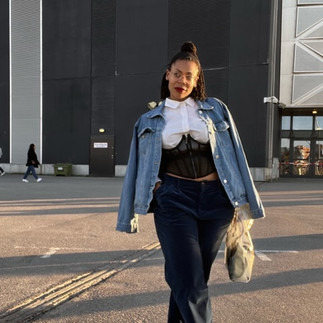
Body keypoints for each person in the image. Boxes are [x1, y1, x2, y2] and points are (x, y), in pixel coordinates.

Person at [116, 41, 265, 322]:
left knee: (192, 279)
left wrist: (244, 201)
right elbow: (137, 166)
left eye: (189, 76)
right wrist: (147, 200)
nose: (182, 80)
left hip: (217, 201)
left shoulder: (215, 109)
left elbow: (236, 153)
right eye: (177, 73)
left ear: (197, 81)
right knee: (188, 278)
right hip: (174, 198)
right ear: (167, 74)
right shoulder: (148, 119)